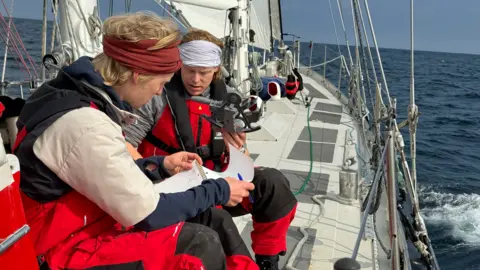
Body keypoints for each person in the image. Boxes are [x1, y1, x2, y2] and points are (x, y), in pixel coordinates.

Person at [13, 12, 259, 270]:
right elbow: (148, 214)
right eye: (161, 83)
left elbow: (96, 169)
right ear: (137, 75)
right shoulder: (86, 124)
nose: (159, 91)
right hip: (58, 249)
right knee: (199, 244)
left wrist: (159, 166)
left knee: (214, 219)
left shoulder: (77, 97)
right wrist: (219, 190)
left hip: (88, 222)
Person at [124, 29, 298, 270]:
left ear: (216, 70)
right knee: (219, 222)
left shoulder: (229, 99)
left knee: (273, 184)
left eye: (203, 73)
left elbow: (241, 152)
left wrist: (238, 149)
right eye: (189, 70)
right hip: (169, 188)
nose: (196, 79)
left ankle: (268, 259)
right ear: (179, 65)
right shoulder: (157, 96)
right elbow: (125, 144)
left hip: (217, 179)